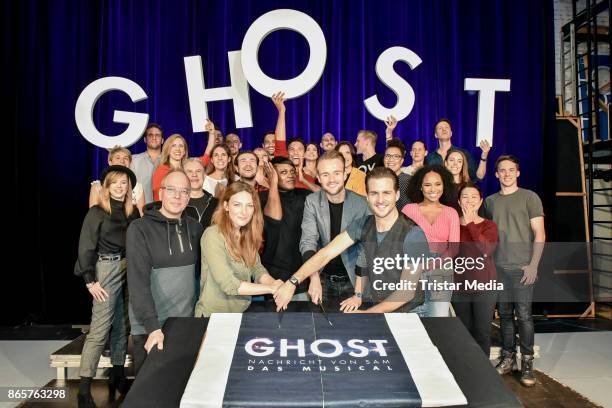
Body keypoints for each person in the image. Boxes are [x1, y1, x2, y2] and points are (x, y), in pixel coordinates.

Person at [274, 167, 428, 313]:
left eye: (386, 193)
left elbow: (406, 292)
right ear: (367, 197)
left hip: (409, 313)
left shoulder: (414, 234)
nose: (380, 200)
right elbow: (325, 254)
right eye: (374, 193)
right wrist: (292, 282)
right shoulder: (362, 224)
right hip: (376, 307)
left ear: (397, 195)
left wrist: (367, 314)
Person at [74, 165, 140, 407]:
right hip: (106, 267)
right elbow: (85, 247)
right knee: (100, 327)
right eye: (116, 183)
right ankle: (83, 388)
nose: (121, 187)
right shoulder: (97, 212)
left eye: (124, 183)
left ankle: (118, 374)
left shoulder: (132, 212)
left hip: (128, 267)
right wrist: (90, 280)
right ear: (107, 187)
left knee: (123, 324)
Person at [127, 170, 204, 375]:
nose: (177, 196)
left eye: (183, 191)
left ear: (189, 196)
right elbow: (137, 283)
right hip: (151, 328)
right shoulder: (139, 228)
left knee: (180, 389)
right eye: (171, 190)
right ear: (160, 193)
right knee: (149, 394)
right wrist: (152, 327)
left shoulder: (196, 229)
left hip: (185, 325)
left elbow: (198, 277)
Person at [485, 155, 545, 387]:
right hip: (499, 268)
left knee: (525, 316)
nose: (507, 174)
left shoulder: (530, 197)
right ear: (496, 174)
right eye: (502, 170)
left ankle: (527, 364)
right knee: (506, 316)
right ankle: (508, 358)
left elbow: (540, 234)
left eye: (511, 170)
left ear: (518, 173)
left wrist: (533, 265)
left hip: (522, 268)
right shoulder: (490, 202)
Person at [195, 182, 283, 317]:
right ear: (226, 206)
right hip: (213, 316)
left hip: (242, 312)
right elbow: (229, 284)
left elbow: (257, 269)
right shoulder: (212, 235)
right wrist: (271, 289)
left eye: (249, 206)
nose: (244, 212)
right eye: (237, 205)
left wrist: (274, 283)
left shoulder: (246, 235)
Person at [300, 150, 370, 305]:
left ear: (345, 173)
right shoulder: (312, 202)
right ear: (318, 177)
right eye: (325, 174)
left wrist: (358, 293)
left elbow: (365, 250)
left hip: (354, 280)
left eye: (336, 173)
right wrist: (314, 277)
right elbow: (308, 241)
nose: (331, 179)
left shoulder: (362, 204)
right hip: (322, 278)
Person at [402, 165, 460, 317]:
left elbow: (454, 249)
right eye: (427, 185)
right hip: (412, 268)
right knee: (408, 314)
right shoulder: (409, 209)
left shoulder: (451, 213)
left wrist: (431, 266)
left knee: (438, 317)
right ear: (420, 187)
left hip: (441, 269)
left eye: (438, 184)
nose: (433, 189)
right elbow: (401, 241)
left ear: (444, 185)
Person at [451, 183, 498, 356]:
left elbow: (486, 250)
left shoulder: (489, 226)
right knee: (463, 332)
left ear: (480, 202)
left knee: (482, 332)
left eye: (473, 197)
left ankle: (483, 373)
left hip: (484, 287)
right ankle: (466, 371)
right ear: (459, 201)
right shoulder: (453, 225)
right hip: (459, 288)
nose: (469, 200)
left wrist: (470, 222)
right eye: (465, 197)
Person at [259, 157, 311, 300]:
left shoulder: (303, 195)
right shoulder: (262, 197)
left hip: (301, 272)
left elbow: (330, 196)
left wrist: (304, 180)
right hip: (274, 273)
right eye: (283, 172)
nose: (290, 175)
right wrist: (273, 183)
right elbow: (275, 219)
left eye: (292, 172)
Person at [425, 118, 490, 181]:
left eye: (446, 127)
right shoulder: (429, 158)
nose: (444, 129)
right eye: (440, 128)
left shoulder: (463, 153)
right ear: (436, 135)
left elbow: (479, 176)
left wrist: (484, 156)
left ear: (451, 133)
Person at [90, 145, 145, 215]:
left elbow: (141, 217)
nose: (122, 161)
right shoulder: (97, 187)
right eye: (117, 158)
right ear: (110, 162)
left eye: (126, 158)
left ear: (130, 163)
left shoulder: (138, 188)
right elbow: (93, 216)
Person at [131, 123, 163, 204]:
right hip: (140, 210)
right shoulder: (134, 160)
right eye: (150, 135)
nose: (154, 137)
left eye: (157, 135)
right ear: (145, 139)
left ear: (162, 140)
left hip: (164, 210)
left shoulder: (170, 160)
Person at [151, 134, 188, 201]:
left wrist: (212, 135)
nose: (177, 149)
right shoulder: (162, 170)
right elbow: (158, 197)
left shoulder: (188, 170)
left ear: (184, 151)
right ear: (168, 150)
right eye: (173, 146)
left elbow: (204, 160)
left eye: (181, 146)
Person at [183, 158, 218, 229]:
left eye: (198, 171)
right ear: (182, 176)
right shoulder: (176, 203)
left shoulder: (217, 204)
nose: (194, 174)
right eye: (189, 171)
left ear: (204, 175)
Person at [383, 138, 411, 210]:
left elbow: (407, 209)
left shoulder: (406, 180)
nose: (391, 159)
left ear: (402, 161)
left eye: (396, 156)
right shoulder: (381, 180)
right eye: (388, 156)